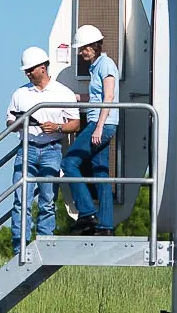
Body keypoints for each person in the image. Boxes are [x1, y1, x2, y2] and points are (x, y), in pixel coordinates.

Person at [7, 46, 81, 255]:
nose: (28, 74)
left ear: (43, 67)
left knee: (47, 201)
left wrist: (56, 127)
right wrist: (20, 124)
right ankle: (19, 249)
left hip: (51, 149)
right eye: (26, 71)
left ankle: (44, 248)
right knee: (22, 201)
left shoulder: (62, 92)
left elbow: (75, 123)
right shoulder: (19, 93)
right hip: (26, 149)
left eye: (31, 69)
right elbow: (9, 122)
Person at [62, 25, 119, 236]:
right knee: (100, 172)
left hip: (100, 124)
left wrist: (99, 127)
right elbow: (96, 97)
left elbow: (109, 97)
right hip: (99, 122)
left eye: (83, 48)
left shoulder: (106, 65)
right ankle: (106, 226)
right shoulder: (96, 66)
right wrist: (76, 98)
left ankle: (87, 213)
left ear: (94, 46)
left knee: (68, 163)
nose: (81, 52)